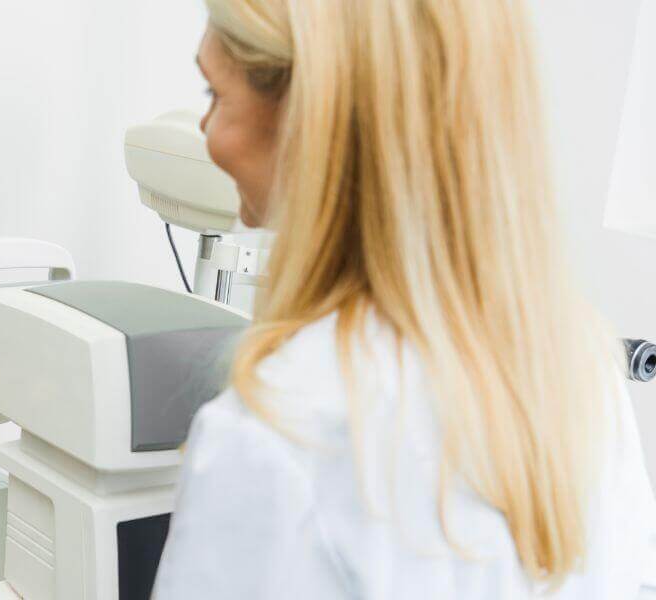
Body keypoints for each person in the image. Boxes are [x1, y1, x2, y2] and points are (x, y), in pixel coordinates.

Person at [152, 0, 656, 598]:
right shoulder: (579, 373)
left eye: (214, 94)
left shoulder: (277, 433)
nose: (205, 130)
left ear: (316, 120)